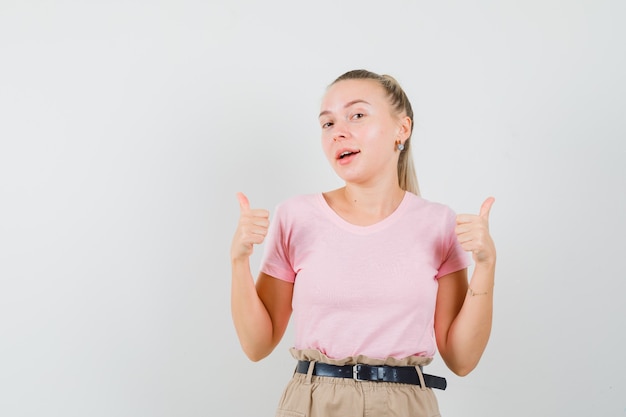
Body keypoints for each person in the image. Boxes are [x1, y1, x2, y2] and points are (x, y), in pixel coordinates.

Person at [230, 69, 496, 417]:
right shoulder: (295, 216)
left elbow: (461, 359)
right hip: (313, 403)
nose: (339, 131)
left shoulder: (439, 223)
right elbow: (256, 345)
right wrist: (238, 261)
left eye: (357, 115)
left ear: (402, 129)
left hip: (405, 405)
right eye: (327, 123)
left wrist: (486, 265)